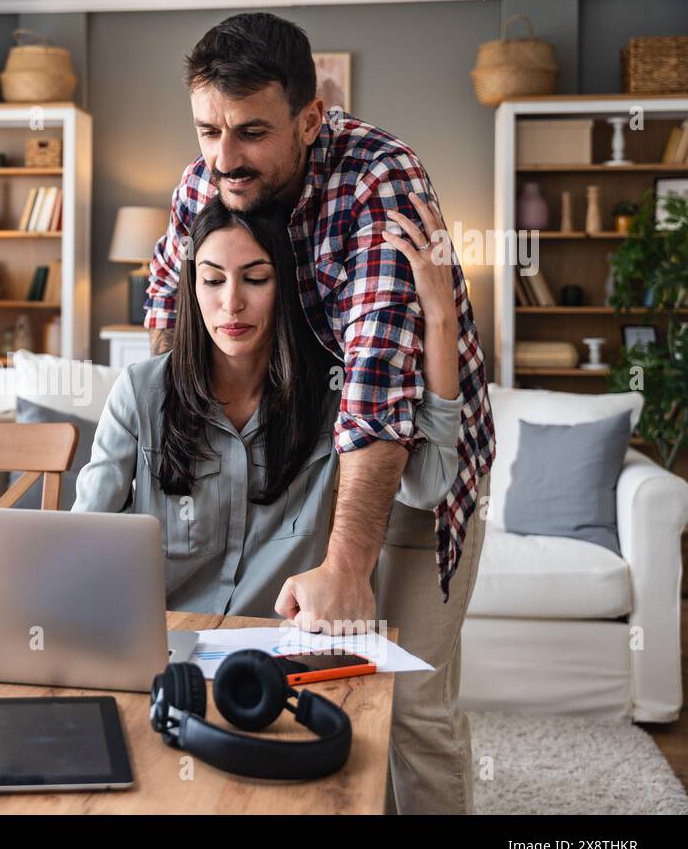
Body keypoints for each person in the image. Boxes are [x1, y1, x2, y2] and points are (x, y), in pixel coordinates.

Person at [139, 12, 495, 815]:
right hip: (311, 466)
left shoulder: (380, 175)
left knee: (413, 708)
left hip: (427, 467)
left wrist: (344, 565)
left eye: (252, 133)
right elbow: (167, 318)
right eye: (208, 131)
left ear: (311, 116)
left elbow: (375, 379)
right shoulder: (206, 183)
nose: (225, 159)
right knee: (327, 695)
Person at [72, 197, 462, 618]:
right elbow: (86, 540)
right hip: (165, 647)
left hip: (279, 656)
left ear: (286, 286)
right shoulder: (140, 390)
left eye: (255, 279)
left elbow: (429, 484)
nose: (232, 302)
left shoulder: (335, 392)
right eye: (213, 280)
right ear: (192, 286)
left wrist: (441, 315)